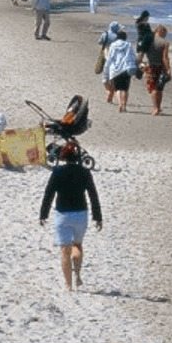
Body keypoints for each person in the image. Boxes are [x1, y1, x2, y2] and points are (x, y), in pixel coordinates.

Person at [39, 140, 102, 291]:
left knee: (64, 251)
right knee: (77, 245)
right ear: (78, 157)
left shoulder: (57, 172)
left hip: (63, 215)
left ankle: (68, 285)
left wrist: (43, 214)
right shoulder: (85, 172)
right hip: (81, 214)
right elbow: (93, 195)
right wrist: (98, 217)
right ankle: (78, 274)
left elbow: (49, 194)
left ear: (63, 157)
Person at [101, 24, 137, 111]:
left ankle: (120, 104)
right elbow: (132, 56)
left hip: (115, 69)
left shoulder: (113, 45)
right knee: (125, 88)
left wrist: (106, 70)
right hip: (126, 68)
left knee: (118, 89)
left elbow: (110, 58)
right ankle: (124, 105)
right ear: (125, 37)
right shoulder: (128, 45)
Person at [143, 23, 172, 116]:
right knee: (159, 88)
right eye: (165, 33)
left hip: (150, 66)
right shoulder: (165, 43)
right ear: (161, 31)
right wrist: (168, 69)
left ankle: (155, 108)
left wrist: (140, 64)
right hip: (161, 67)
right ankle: (158, 107)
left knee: (153, 88)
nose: (165, 36)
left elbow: (141, 53)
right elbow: (165, 58)